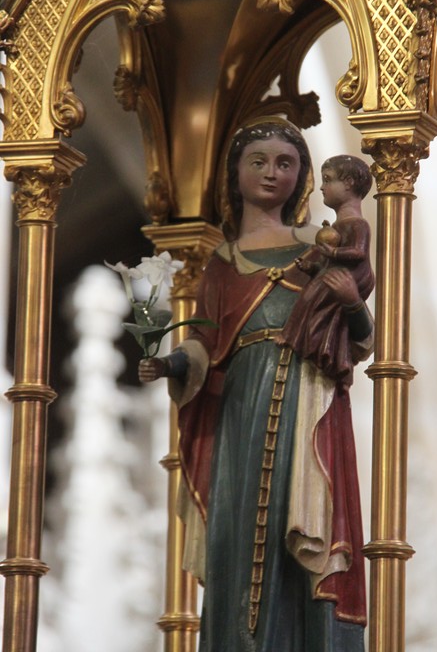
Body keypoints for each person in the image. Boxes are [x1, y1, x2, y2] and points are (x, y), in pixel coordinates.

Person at [139, 118, 373, 652]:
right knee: (240, 531)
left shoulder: (322, 244)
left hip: (308, 401)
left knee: (306, 525)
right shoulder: (223, 262)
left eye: (285, 163)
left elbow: (362, 338)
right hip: (239, 408)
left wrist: (351, 304)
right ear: (235, 173)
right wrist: (169, 365)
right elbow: (203, 342)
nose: (272, 173)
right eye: (259, 162)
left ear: (302, 176)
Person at [280, 154, 375, 387]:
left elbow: (358, 252)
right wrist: (312, 268)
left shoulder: (357, 224)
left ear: (349, 183)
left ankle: (309, 344)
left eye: (328, 180)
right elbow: (328, 265)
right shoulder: (337, 227)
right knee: (312, 298)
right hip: (335, 274)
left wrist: (332, 253)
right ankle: (299, 339)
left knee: (313, 298)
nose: (321, 187)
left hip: (350, 277)